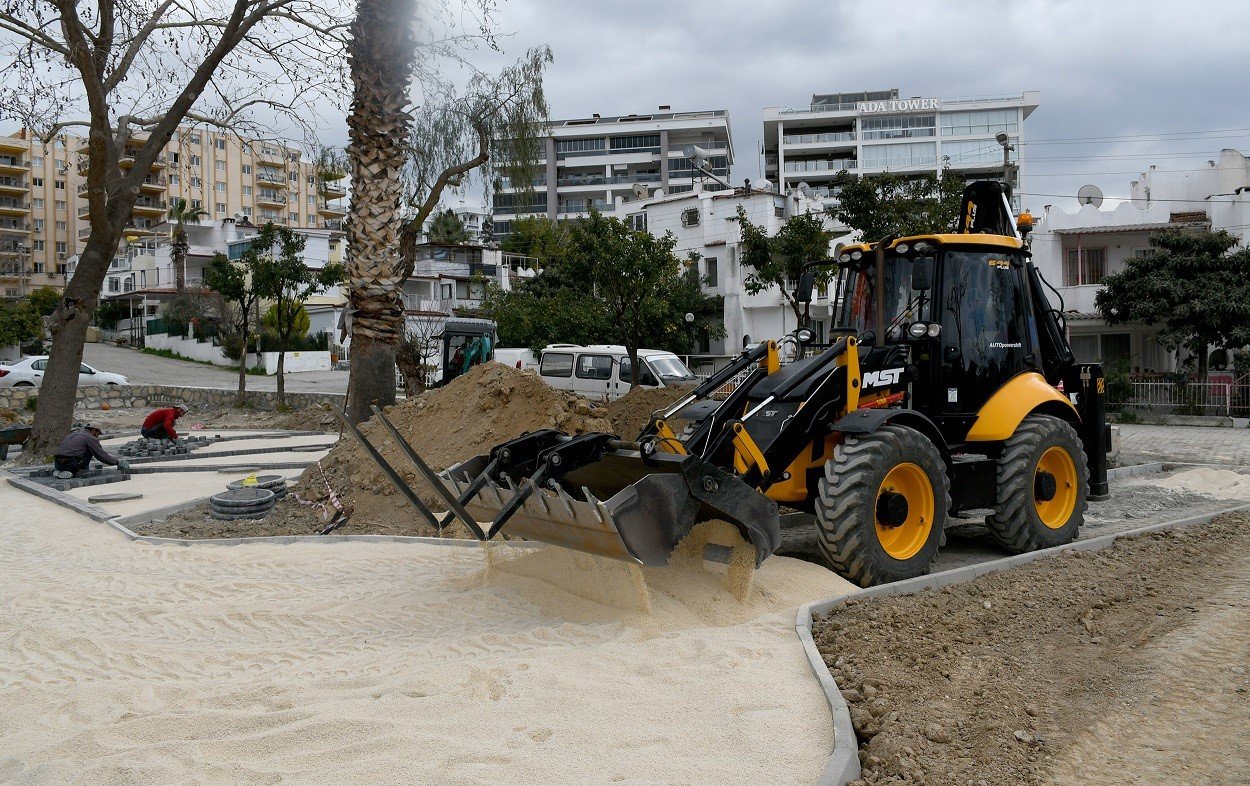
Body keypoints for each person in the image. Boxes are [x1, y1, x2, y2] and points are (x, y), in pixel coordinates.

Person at [52, 424, 130, 479]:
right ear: (93, 430)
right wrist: (117, 462)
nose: (98, 436)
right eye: (98, 433)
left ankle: (62, 469)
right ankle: (78, 471)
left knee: (81, 450)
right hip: (71, 464)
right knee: (90, 450)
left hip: (57, 463)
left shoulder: (74, 434)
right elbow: (101, 455)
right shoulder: (90, 438)